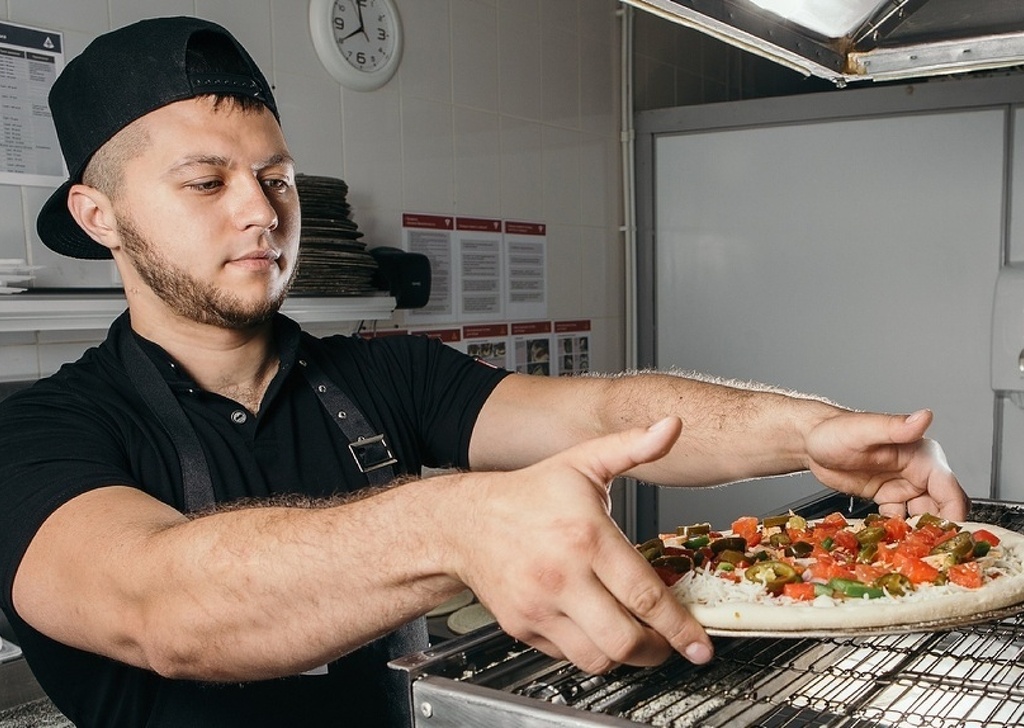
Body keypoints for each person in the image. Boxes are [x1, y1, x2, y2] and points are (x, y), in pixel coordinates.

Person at [0, 16, 969, 728]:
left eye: (278, 178)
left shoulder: (381, 375)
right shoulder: (40, 431)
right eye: (208, 182)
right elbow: (160, 607)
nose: (261, 211)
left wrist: (806, 430)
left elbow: (606, 407)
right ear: (99, 217)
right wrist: (453, 519)